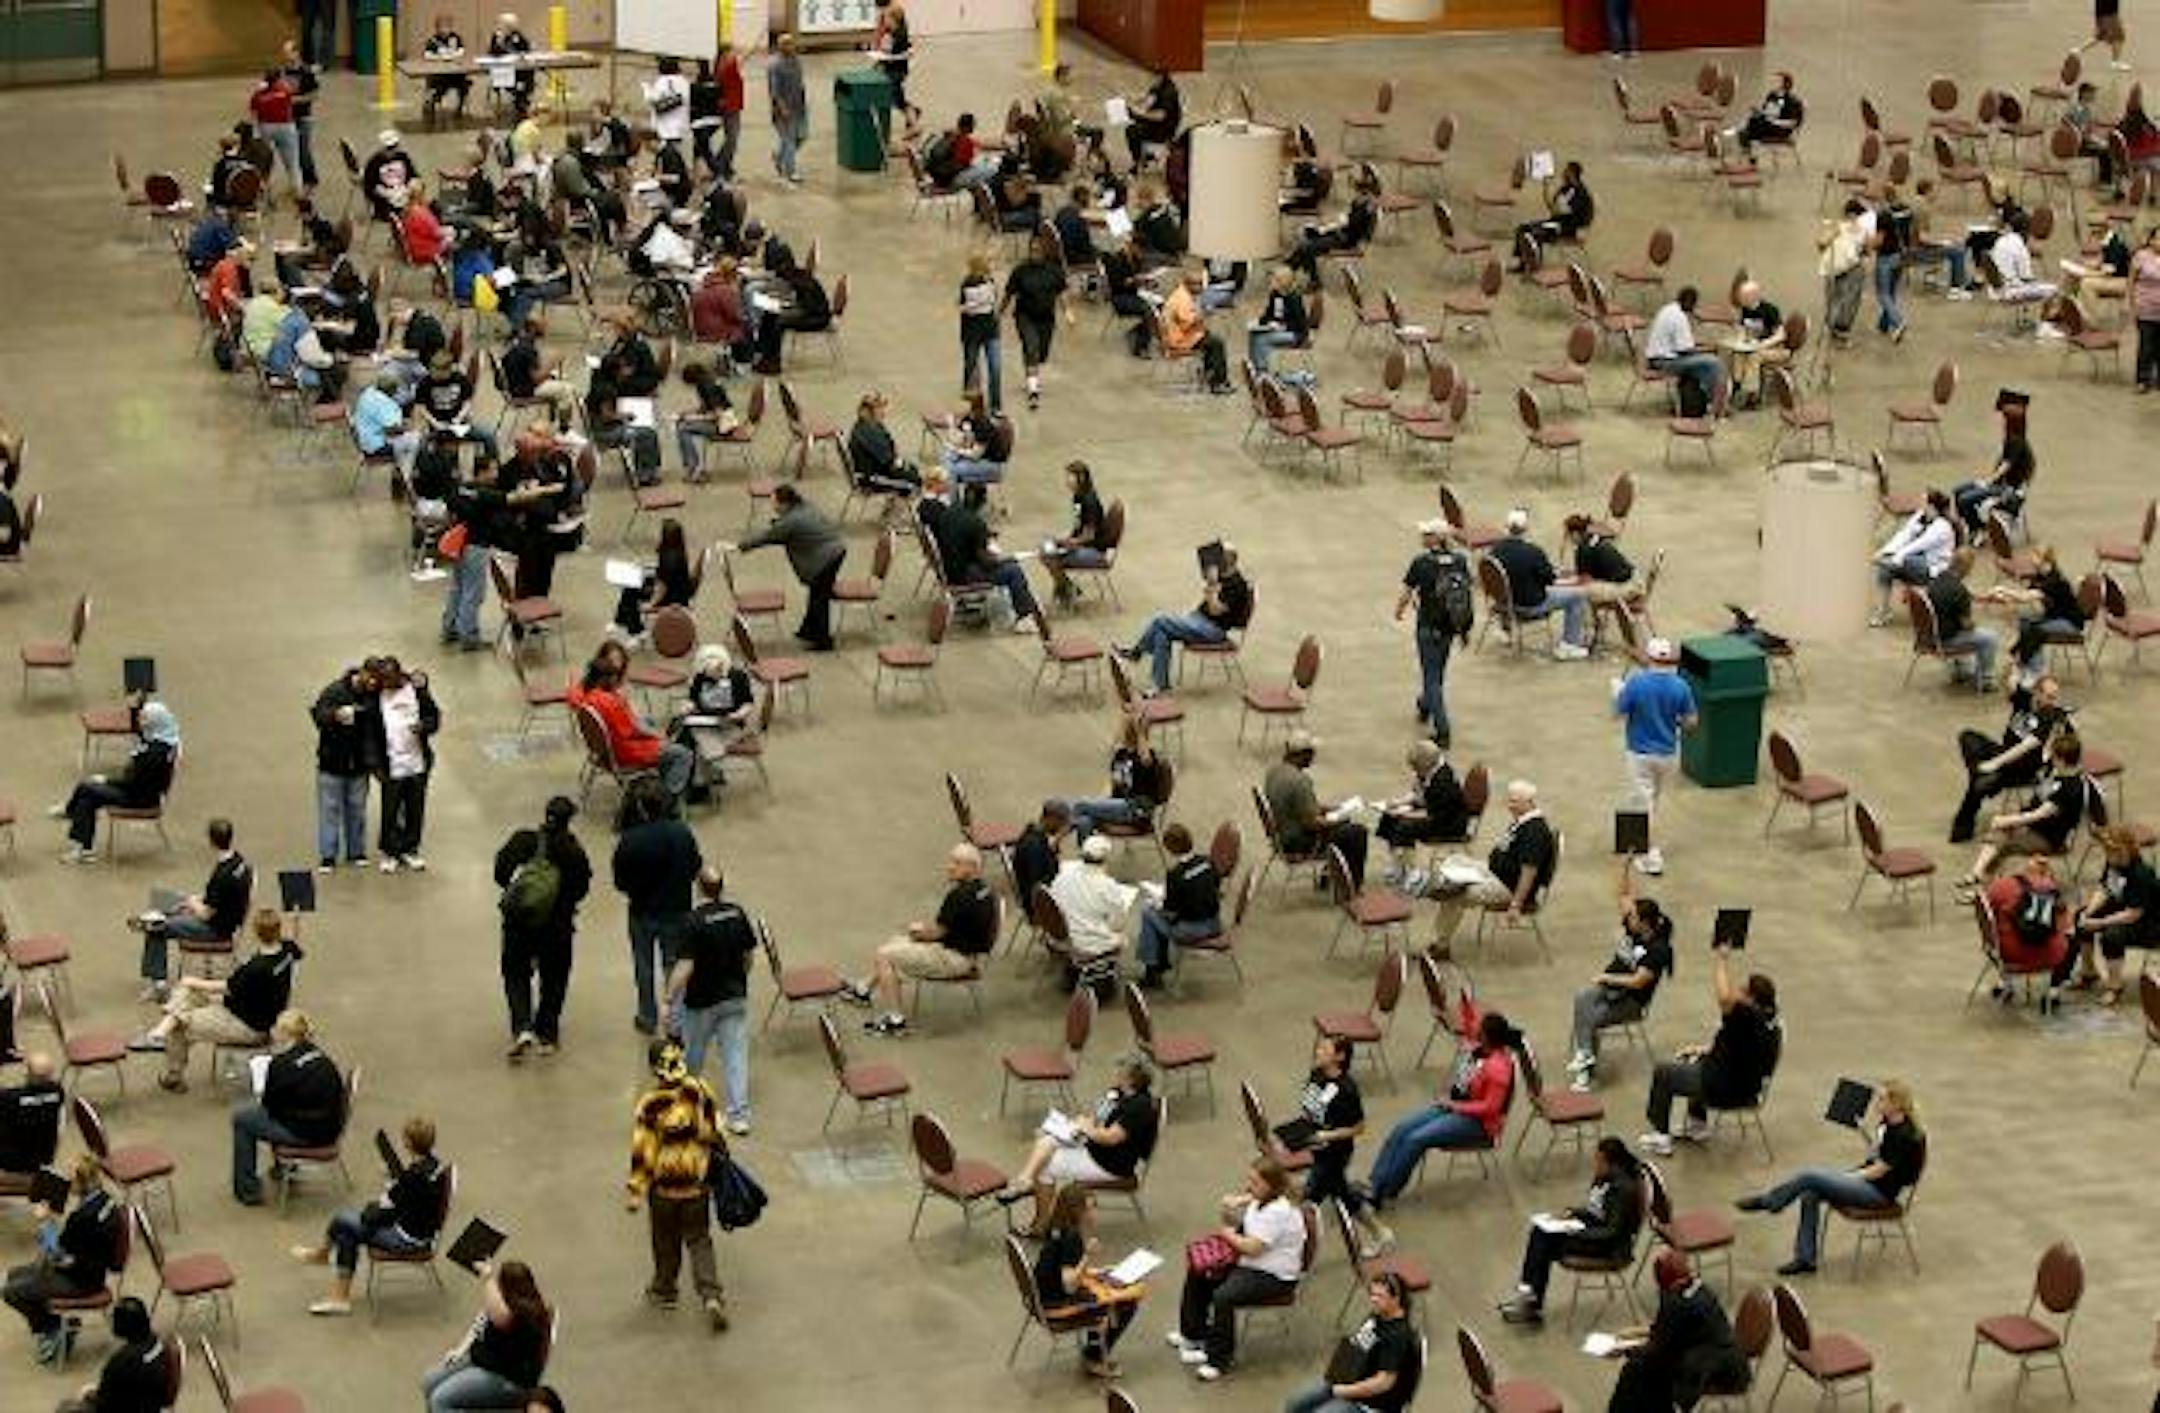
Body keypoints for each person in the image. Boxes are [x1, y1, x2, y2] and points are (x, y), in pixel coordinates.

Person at [1736, 1079, 1927, 1276]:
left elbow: (1879, 1169)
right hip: (1870, 1183)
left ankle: (1771, 1202)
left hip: (1878, 1194)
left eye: (1881, 1099)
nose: (1876, 1102)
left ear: (1896, 1104)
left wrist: (1848, 1177)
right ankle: (1805, 1259)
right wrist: (1864, 1134)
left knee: (1810, 1176)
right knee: (1810, 1194)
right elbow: (1879, 1153)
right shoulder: (1889, 1123)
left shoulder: (1904, 1134)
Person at [1365, 1011, 1525, 1209]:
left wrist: (1455, 1106)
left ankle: (1385, 1192)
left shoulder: (1498, 1068)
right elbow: (1467, 1028)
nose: (1474, 1030)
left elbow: (1490, 1108)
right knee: (1402, 1129)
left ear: (1485, 1037)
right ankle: (1373, 1184)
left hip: (1479, 1124)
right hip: (1457, 1108)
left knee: (1417, 1139)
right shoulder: (1481, 1050)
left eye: (1479, 1028)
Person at [294, 1115, 449, 1316]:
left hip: (406, 1239)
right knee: (346, 1231)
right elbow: (408, 1196)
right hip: (420, 1230)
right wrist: (396, 1183)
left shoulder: (413, 1178)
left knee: (343, 1221)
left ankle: (330, 1273)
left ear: (408, 1143)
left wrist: (386, 1191)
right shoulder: (434, 1166)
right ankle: (333, 1281)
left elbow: (387, 1207)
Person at [625, 1037, 729, 1331]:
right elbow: (716, 1130)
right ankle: (711, 1296)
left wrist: (636, 1191)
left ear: (653, 1069)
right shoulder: (699, 1090)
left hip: (663, 1191)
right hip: (695, 1187)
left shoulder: (651, 1103)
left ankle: (665, 1289)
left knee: (664, 1241)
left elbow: (643, 1152)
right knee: (699, 1240)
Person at [1171, 1158, 1307, 1382]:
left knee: (1224, 1296)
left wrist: (1227, 1233)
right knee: (1199, 1271)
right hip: (1249, 1263)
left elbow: (1252, 1248)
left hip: (1272, 1276)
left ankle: (1219, 1359)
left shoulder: (1278, 1213)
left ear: (1270, 1185)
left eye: (1254, 1182)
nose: (1248, 1186)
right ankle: (1193, 1333)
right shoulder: (1262, 1197)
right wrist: (1238, 1202)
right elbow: (1250, 1205)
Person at [135, 909, 298, 1094]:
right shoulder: (287, 952)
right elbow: (294, 940)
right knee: (188, 995)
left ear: (256, 933)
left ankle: (172, 1076)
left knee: (181, 1024)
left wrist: (192, 980)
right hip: (259, 1014)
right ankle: (164, 1026)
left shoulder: (256, 968)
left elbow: (224, 987)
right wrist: (294, 919)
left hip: (247, 1026)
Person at [844, 843, 999, 1037]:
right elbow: (951, 928)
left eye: (957, 863)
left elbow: (937, 933)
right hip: (969, 953)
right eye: (951, 861)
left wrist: (915, 932)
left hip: (953, 959)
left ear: (973, 867)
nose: (950, 866)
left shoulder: (958, 896)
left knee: (884, 955)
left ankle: (895, 1020)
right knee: (895, 942)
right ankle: (863, 989)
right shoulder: (986, 890)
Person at [1639, 951, 1778, 1156]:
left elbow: (1724, 998)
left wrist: (1721, 960)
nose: (1736, 992)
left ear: (1751, 998)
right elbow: (1739, 1050)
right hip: (1748, 1087)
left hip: (1726, 1090)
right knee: (1697, 1060)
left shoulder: (1746, 1016)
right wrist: (1702, 1049)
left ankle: (1661, 1136)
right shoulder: (1770, 1022)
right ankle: (1697, 1126)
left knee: (1664, 1073)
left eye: (1741, 990)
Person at [1498, 1137, 1646, 1323]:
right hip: (1592, 1232)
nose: (1595, 1164)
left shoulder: (1622, 1190)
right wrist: (1573, 1214)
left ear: (1611, 1163)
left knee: (1543, 1241)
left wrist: (1575, 1232)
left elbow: (1612, 1231)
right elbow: (1596, 1211)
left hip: (1608, 1246)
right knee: (1541, 1232)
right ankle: (1530, 1296)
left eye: (1599, 1160)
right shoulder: (1604, 1179)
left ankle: (1530, 1298)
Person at [1000, 1054, 1160, 1228]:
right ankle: (1025, 1180)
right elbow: (1098, 1115)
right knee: (1046, 1138)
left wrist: (1086, 1128)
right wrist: (1081, 1124)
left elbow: (1111, 1138)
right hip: (1094, 1146)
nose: (1115, 1074)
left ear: (1130, 1078)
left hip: (1110, 1164)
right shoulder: (1119, 1092)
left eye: (1119, 1071)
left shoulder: (1139, 1107)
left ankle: (1041, 1223)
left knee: (1044, 1168)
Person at [495, 797, 594, 1061]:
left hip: (519, 923)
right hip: (557, 928)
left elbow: (500, 873)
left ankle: (522, 1028)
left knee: (515, 973)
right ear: (568, 820)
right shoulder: (573, 851)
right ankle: (547, 1035)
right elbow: (582, 889)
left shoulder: (522, 840)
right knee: (554, 980)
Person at [1568, 863, 1676, 1093]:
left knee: (1591, 1018)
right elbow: (1624, 894)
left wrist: (1608, 977)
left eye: (1634, 917)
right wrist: (1625, 864)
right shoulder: (1633, 926)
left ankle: (1585, 1072)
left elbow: (1638, 981)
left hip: (1631, 1001)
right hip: (1609, 988)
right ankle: (1586, 1055)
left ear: (1646, 923)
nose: (1629, 918)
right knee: (1582, 999)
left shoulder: (1658, 950)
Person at [3, 1155, 121, 1364]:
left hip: (79, 1281)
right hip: (92, 1268)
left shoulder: (81, 1218)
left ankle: (53, 1328)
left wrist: (45, 1222)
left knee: (10, 1291)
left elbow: (59, 1254)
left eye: (70, 1179)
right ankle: (54, 1326)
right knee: (13, 1275)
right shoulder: (107, 1200)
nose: (65, 1182)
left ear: (80, 1182)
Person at [667, 869, 758, 1132]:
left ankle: (687, 1110)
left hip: (701, 1002)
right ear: (721, 887)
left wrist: (668, 998)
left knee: (693, 1057)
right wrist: (739, 980)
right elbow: (748, 956)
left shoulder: (692, 922)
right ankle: (739, 1116)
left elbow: (685, 966)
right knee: (735, 1057)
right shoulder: (737, 913)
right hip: (734, 997)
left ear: (699, 888)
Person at [613, 777, 704, 1036]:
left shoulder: (630, 840)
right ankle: (675, 1019)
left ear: (641, 807)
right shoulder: (681, 832)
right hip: (677, 910)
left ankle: (647, 1016)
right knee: (674, 966)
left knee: (644, 967)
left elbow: (620, 882)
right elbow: (695, 866)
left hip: (642, 912)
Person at [125, 816, 252, 1001]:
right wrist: (192, 901)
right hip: (226, 918)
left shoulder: (221, 876)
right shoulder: (239, 863)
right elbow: (219, 899)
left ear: (211, 841)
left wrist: (192, 904)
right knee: (170, 905)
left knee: (156, 927)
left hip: (214, 930)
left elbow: (206, 914)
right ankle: (157, 915)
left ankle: (158, 984)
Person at [1606, 1251, 1750, 1412]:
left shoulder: (1677, 1303)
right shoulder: (1699, 1288)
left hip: (1710, 1371)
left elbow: (1659, 1349)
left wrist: (1624, 1350)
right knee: (1643, 1370)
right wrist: (1635, 1334)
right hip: (1729, 1363)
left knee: (1637, 1372)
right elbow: (1670, 1332)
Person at [1423, 778, 1558, 946]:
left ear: (1529, 802)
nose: (1509, 805)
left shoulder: (1534, 832)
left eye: (1514, 801)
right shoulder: (1523, 820)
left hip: (1507, 886)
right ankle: (1442, 886)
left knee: (1455, 894)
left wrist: (1516, 905)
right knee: (1453, 859)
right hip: (1494, 872)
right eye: (1509, 800)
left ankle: (1439, 946)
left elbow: (1528, 872)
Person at [231, 1009, 345, 1206]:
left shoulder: (281, 1065)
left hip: (305, 1134)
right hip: (329, 1127)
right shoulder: (320, 1055)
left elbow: (269, 1105)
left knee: (242, 1119)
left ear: (284, 1033)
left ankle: (247, 1190)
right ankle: (281, 1169)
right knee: (269, 1113)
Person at [1950, 674, 2075, 843]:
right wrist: (2012, 671)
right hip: (2003, 752)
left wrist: (1995, 763)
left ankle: (1963, 826)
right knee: (1968, 737)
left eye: (2055, 697)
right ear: (2036, 693)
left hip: (2023, 768)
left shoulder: (2051, 716)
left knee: (1979, 785)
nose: (2053, 701)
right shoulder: (2025, 700)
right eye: (2049, 696)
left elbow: (2025, 747)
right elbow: (2010, 683)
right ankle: (1981, 775)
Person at [1033, 1183, 1140, 1379]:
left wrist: (1096, 1272)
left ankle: (1094, 1348)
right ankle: (1095, 1358)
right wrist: (1087, 1256)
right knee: (1126, 1303)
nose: (1093, 1215)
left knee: (1100, 1288)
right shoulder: (1072, 1238)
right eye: (1089, 1209)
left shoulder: (1054, 1227)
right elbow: (1070, 1284)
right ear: (1076, 1211)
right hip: (1055, 1305)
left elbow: (1061, 1268)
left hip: (1039, 1295)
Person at [1117, 542, 1255, 693]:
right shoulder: (1223, 576)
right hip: (1199, 621)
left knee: (1160, 620)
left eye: (1218, 557)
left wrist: (1212, 585)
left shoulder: (1237, 584)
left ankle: (1135, 654)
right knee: (1161, 634)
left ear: (1228, 559)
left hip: (1213, 631)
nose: (1214, 561)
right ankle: (1160, 685)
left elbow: (1215, 610)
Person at [54, 699, 179, 864]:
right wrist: (134, 707)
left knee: (86, 787)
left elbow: (133, 783)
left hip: (139, 799)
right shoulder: (159, 740)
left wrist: (106, 780)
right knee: (87, 800)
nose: (141, 722)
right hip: (136, 791)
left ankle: (71, 812)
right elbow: (137, 731)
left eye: (144, 718)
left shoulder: (154, 755)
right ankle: (84, 849)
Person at [569, 646, 697, 804]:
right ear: (605, 679)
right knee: (682, 754)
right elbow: (631, 731)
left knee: (654, 730)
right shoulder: (609, 701)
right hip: (627, 752)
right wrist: (659, 737)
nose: (617, 680)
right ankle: (667, 800)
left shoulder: (589, 698)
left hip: (609, 751)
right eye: (614, 677)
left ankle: (659, 786)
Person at [1614, 636, 1698, 876]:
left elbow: (1618, 711)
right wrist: (1672, 720)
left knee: (1641, 804)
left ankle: (1650, 855)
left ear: (1649, 658)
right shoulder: (1681, 686)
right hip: (1668, 753)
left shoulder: (1636, 683)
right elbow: (1691, 722)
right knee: (1650, 800)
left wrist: (1619, 692)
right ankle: (1631, 844)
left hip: (1639, 753)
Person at [729, 483, 846, 652]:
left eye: (774, 503)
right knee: (817, 594)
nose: (773, 506)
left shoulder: (791, 521)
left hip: (825, 557)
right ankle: (808, 632)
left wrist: (738, 546)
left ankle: (823, 641)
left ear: (784, 503)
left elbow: (767, 537)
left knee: (819, 598)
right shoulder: (804, 506)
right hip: (835, 550)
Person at [421, 1261, 553, 1410]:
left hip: (507, 1378)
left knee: (440, 1399)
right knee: (429, 1381)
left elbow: (501, 1317)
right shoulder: (502, 1301)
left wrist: (488, 1279)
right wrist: (460, 1350)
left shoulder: (527, 1312)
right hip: (483, 1361)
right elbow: (480, 1323)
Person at [1283, 1271, 1422, 1413]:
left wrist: (1342, 1391)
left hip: (1371, 1405)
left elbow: (1383, 1383)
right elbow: (1358, 1346)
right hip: (1348, 1380)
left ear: (1396, 1299)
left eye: (1379, 1296)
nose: (1373, 1299)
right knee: (1295, 1403)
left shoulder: (1397, 1337)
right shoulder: (1378, 1315)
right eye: (1372, 1294)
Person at [1962, 733, 2089, 884]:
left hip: (2048, 838)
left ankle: (1983, 883)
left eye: (2053, 756)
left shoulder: (2071, 789)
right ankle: (1978, 875)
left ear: (2061, 759)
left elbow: (2039, 814)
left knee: (2003, 843)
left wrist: (2008, 820)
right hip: (2032, 826)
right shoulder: (2055, 771)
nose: (2050, 758)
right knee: (1999, 833)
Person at [1396, 520, 1475, 745]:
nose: (1422, 537)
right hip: (1449, 628)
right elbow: (1465, 595)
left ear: (1435, 538)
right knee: (1436, 672)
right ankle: (1425, 704)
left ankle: (1442, 728)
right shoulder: (1460, 561)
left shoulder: (1421, 563)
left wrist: (1399, 610)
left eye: (1427, 534)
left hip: (1428, 626)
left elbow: (1407, 592)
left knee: (1431, 677)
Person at [1265, 730, 1371, 889]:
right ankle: (1351, 887)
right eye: (1312, 753)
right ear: (1303, 754)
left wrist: (1334, 809)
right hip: (1298, 841)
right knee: (1356, 833)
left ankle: (1330, 876)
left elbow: (1299, 806)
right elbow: (1312, 824)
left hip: (1282, 833)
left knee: (1345, 826)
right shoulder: (1300, 782)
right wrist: (1338, 818)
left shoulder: (1275, 772)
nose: (1314, 757)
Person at [2075, 825, 2160, 1004]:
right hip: (2124, 907)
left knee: (2112, 935)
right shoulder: (2114, 864)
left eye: (2113, 853)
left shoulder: (2141, 874)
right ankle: (2089, 972)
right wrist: (2089, 912)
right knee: (2080, 917)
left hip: (2150, 922)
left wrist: (2100, 922)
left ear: (2126, 851)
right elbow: (2105, 889)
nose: (2109, 857)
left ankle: (2115, 986)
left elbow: (2134, 913)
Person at [310, 662, 381, 871]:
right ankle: (328, 856)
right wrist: (334, 715)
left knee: (357, 811)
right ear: (362, 673)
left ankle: (356, 852)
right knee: (329, 811)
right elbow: (318, 715)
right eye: (370, 678)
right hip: (332, 765)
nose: (373, 683)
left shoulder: (372, 696)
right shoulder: (334, 691)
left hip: (358, 767)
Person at [372, 657, 438, 872]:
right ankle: (390, 852)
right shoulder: (376, 698)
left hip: (416, 763)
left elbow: (434, 717)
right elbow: (370, 736)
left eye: (391, 680)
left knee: (415, 809)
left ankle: (410, 849)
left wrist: (423, 726)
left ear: (399, 675)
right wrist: (375, 766)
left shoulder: (416, 691)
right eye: (384, 681)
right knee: (390, 811)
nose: (388, 685)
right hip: (391, 764)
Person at [1136, 823, 1222, 988]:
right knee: (1154, 916)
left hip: (1191, 931)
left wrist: (1158, 903)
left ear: (1171, 848)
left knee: (1148, 913)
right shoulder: (1207, 861)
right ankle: (1158, 964)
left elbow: (1170, 913)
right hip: (1214, 923)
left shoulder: (1175, 875)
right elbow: (1215, 887)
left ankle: (1152, 969)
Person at [1050, 834, 1141, 984]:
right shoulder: (1107, 886)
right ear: (1105, 859)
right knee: (1121, 934)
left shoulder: (1063, 875)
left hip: (1061, 937)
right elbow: (1117, 924)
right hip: (1090, 942)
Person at [1375, 739, 1467, 885]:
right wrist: (1397, 803)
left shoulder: (1443, 782)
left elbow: (1432, 814)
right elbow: (1418, 793)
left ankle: (1410, 871)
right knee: (1388, 817)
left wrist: (1403, 814)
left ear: (1426, 765)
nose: (1414, 771)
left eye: (1416, 768)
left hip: (1448, 823)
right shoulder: (1428, 770)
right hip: (1433, 810)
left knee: (1405, 826)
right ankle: (1397, 863)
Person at [50, 1297, 164, 1412]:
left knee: (65, 1408)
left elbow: (104, 1403)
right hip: (150, 1405)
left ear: (123, 1325)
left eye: (114, 1318)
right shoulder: (157, 1342)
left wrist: (89, 1395)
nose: (112, 1322)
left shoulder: (122, 1361)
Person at [1002, 233, 1073, 409]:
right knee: (1031, 348)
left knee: (1041, 354)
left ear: (1045, 251)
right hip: (1025, 315)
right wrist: (999, 313)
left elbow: (1061, 293)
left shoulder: (1054, 271)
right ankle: (1033, 391)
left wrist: (1068, 311)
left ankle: (1032, 373)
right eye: (1032, 249)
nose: (1034, 252)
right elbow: (1009, 293)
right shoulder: (1020, 270)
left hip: (1046, 318)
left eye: (1038, 250)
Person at [1068, 717, 1168, 840]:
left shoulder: (1147, 756)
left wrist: (1140, 733)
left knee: (1080, 805)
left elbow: (1146, 761)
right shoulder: (1120, 755)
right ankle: (1089, 856)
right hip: (1118, 806)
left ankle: (1055, 841)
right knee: (1085, 820)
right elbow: (1112, 783)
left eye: (1126, 729)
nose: (1122, 733)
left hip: (1137, 809)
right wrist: (1099, 802)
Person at [1953, 393, 2037, 536]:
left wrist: (1987, 482)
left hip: (2009, 490)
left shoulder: (2017, 443)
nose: (2001, 421)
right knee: (1958, 490)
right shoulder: (2011, 439)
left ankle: (1977, 529)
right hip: (1999, 484)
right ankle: (1976, 526)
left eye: (2004, 418)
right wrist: (1987, 481)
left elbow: (2006, 466)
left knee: (1965, 499)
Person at [1869, 489, 1957, 625]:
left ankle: (1883, 563)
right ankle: (1883, 611)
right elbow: (1904, 535)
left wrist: (1895, 558)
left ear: (1932, 506)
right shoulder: (1920, 516)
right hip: (1913, 563)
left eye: (1923, 501)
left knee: (1896, 563)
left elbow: (1919, 545)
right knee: (1885, 570)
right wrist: (1885, 551)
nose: (1919, 503)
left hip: (1932, 569)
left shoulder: (1942, 527)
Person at [1644, 286, 1727, 415]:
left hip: (1656, 358)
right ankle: (1717, 406)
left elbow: (1681, 343)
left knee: (1705, 362)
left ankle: (1708, 401)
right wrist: (1709, 349)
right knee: (1714, 363)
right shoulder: (1679, 317)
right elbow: (1685, 350)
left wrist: (1702, 347)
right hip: (1665, 362)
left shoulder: (1668, 309)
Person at [1926, 548, 2001, 687]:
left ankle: (1961, 669)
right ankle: (1986, 680)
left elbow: (1963, 593)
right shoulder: (1959, 592)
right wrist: (1975, 624)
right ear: (1965, 568)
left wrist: (1981, 597)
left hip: (1929, 635)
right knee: (1990, 637)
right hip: (1946, 640)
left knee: (1974, 632)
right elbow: (1966, 625)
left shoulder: (1940, 578)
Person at [615, 517, 697, 640]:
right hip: (675, 589)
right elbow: (661, 577)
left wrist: (651, 604)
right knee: (634, 581)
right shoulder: (675, 551)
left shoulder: (670, 559)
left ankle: (636, 629)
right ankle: (621, 621)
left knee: (631, 590)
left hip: (672, 597)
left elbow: (662, 588)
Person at [1042, 461, 1110, 607]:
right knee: (1045, 549)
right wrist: (1063, 539)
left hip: (1093, 551)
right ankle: (1068, 588)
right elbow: (1078, 527)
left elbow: (1089, 536)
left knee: (1050, 557)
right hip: (1082, 545)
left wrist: (1069, 543)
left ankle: (1066, 590)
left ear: (1081, 478)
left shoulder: (1089, 501)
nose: (1066, 480)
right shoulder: (1078, 497)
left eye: (1069, 477)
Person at [1513, 159, 1595, 261]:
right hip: (1555, 223)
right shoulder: (1565, 189)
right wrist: (1545, 189)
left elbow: (1561, 211)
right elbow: (1552, 208)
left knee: (1535, 233)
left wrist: (1556, 209)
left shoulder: (1580, 193)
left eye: (1566, 171)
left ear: (1572, 173)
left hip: (1567, 228)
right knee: (1523, 228)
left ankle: (1533, 263)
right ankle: (1523, 262)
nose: (1563, 173)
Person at [1162, 270, 1230, 393]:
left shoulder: (1182, 293)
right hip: (1180, 339)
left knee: (1209, 336)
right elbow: (1187, 324)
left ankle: (1211, 374)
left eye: (1200, 284)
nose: (1200, 288)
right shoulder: (1182, 299)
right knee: (1217, 343)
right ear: (1188, 284)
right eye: (1197, 285)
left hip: (1181, 334)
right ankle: (1218, 383)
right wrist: (1204, 314)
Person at [0, 1053, 64, 1177]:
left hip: (12, 1160)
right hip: (45, 1157)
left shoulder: (11, 1099)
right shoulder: (58, 1092)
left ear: (28, 1075)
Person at [1727, 280, 1788, 404]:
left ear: (1753, 296)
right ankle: (1737, 384)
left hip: (1775, 349)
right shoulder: (1745, 310)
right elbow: (1742, 328)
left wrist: (1762, 344)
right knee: (1737, 354)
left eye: (1744, 296)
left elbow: (1781, 335)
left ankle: (1751, 393)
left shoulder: (1770, 310)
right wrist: (1742, 339)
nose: (1741, 299)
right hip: (1753, 345)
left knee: (1755, 356)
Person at [957, 252, 1004, 413]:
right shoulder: (966, 284)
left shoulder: (990, 282)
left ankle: (996, 405)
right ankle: (974, 404)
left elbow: (992, 302)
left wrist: (976, 305)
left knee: (995, 367)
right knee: (972, 367)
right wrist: (977, 304)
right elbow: (965, 307)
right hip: (972, 333)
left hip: (991, 330)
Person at [1819, 199, 1870, 342]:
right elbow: (1867, 251)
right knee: (1849, 300)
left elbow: (1821, 244)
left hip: (1833, 268)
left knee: (1834, 298)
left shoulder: (1836, 226)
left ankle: (1833, 327)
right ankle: (1840, 329)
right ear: (1854, 215)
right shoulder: (1858, 230)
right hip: (1852, 268)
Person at [248, 68, 301, 197]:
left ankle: (265, 193)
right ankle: (297, 191)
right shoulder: (285, 90)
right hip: (286, 127)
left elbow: (253, 113)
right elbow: (295, 88)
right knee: (292, 162)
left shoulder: (258, 95)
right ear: (278, 79)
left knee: (265, 162)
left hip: (266, 127)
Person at [1246, 266, 1309, 374]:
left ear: (1282, 281)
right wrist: (1259, 323)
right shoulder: (1274, 294)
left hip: (1295, 334)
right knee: (1254, 334)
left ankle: (1262, 370)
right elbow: (1268, 314)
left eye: (1274, 279)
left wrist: (1282, 326)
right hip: (1276, 329)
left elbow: (1301, 324)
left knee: (1262, 339)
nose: (1271, 281)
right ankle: (1254, 365)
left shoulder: (1294, 298)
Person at [768, 34, 807, 185]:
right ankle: (790, 171)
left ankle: (778, 156)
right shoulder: (775, 65)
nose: (791, 46)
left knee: (801, 137)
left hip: (798, 105)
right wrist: (782, 107)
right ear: (781, 46)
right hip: (783, 110)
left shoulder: (796, 60)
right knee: (789, 140)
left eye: (792, 43)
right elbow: (774, 90)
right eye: (788, 44)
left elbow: (800, 82)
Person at [1124, 68, 1182, 168]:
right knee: (1134, 119)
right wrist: (1134, 102)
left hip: (1165, 128)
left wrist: (1140, 114)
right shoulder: (1157, 85)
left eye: (1150, 76)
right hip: (1156, 122)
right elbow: (1149, 99)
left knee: (1132, 131)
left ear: (1159, 76)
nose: (1147, 79)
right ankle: (1145, 157)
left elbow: (1161, 115)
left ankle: (1140, 160)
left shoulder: (1169, 92)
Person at [420, 15, 472, 119]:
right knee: (439, 86)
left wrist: (453, 55)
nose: (445, 30)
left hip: (455, 73)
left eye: (447, 27)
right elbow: (427, 55)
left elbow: (461, 51)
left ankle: (459, 107)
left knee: (464, 84)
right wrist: (439, 57)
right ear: (437, 28)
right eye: (442, 27)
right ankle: (432, 103)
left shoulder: (455, 37)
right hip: (439, 74)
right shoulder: (433, 40)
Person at [361, 129, 418, 222]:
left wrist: (409, 187)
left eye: (394, 147)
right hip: (385, 197)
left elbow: (413, 175)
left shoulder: (403, 157)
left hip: (403, 191)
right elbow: (369, 185)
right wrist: (384, 192)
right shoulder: (374, 162)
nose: (392, 151)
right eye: (389, 148)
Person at [487, 11, 535, 115]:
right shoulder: (497, 36)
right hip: (502, 71)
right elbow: (492, 53)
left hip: (518, 69)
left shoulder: (517, 36)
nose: (511, 29)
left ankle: (522, 97)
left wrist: (522, 53)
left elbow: (526, 48)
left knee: (528, 73)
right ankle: (520, 99)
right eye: (507, 26)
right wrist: (500, 42)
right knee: (516, 82)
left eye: (512, 26)